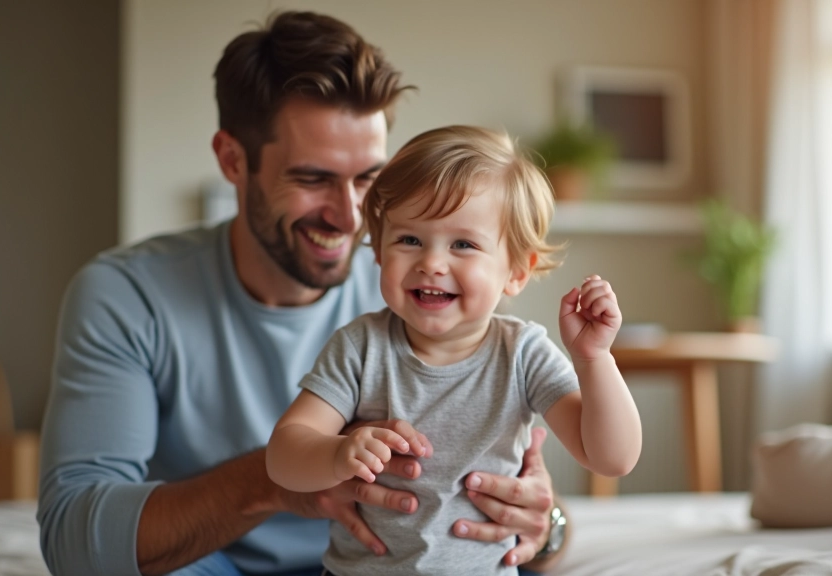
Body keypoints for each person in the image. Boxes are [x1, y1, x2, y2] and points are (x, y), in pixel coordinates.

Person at [37, 11, 569, 576]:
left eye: (368, 179)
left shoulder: (422, 291)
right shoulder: (126, 296)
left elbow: (535, 510)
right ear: (232, 160)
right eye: (313, 178)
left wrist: (542, 525)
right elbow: (74, 540)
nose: (350, 217)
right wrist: (281, 479)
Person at [266, 126, 643, 575]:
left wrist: (594, 359)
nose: (432, 262)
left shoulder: (522, 354)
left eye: (463, 244)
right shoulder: (360, 347)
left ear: (516, 273)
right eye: (409, 240)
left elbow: (613, 457)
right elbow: (284, 455)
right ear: (380, 255)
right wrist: (335, 453)